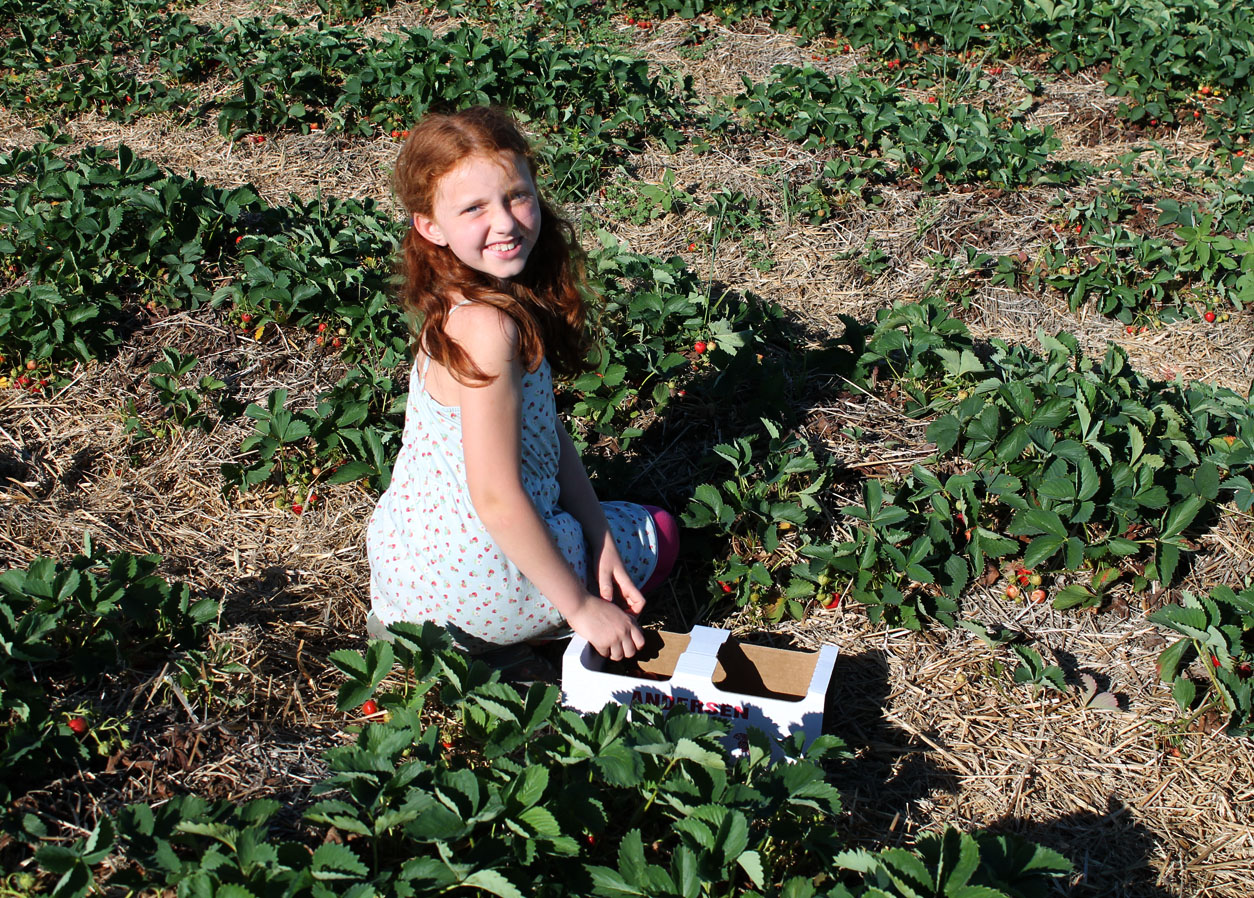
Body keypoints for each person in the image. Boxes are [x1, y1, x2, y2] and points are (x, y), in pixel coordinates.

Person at [366, 106, 678, 674]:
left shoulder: (452, 302)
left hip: (410, 581)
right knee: (660, 532)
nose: (505, 222)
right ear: (429, 225)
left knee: (609, 531)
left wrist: (597, 531)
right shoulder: (490, 328)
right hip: (482, 581)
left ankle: (483, 636)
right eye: (474, 208)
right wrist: (583, 607)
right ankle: (513, 633)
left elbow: (545, 433)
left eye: (516, 196)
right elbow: (495, 498)